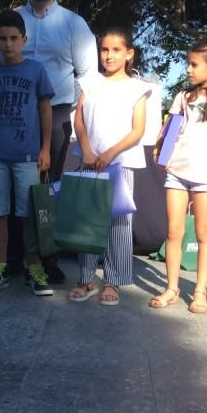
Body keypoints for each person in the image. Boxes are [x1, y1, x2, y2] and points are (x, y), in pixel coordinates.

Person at [0, 0, 97, 283]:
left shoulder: (73, 24)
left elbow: (87, 75)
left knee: (46, 193)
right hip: (10, 116)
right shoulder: (10, 23)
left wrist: (76, 123)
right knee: (13, 193)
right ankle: (12, 260)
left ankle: (46, 259)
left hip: (57, 114)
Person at [149, 39, 207, 314]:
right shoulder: (183, 97)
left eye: (194, 64)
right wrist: (160, 149)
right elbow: (170, 128)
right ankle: (172, 287)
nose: (188, 69)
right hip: (177, 172)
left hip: (206, 176)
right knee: (173, 232)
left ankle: (199, 290)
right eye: (188, 63)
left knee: (203, 234)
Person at [66, 27, 151, 306]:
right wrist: (88, 149)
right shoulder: (90, 83)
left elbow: (138, 130)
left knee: (118, 222)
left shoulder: (138, 88)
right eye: (104, 49)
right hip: (90, 162)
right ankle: (86, 277)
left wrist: (111, 152)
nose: (109, 55)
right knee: (86, 219)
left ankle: (113, 280)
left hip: (121, 163)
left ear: (129, 54)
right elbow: (79, 119)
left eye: (116, 50)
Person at [0, 10, 55, 296]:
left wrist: (45, 148)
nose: (8, 45)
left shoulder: (36, 70)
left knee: (28, 214)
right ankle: (0, 266)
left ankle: (32, 267)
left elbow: (45, 108)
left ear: (24, 39)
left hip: (27, 155)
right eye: (2, 39)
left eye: (13, 38)